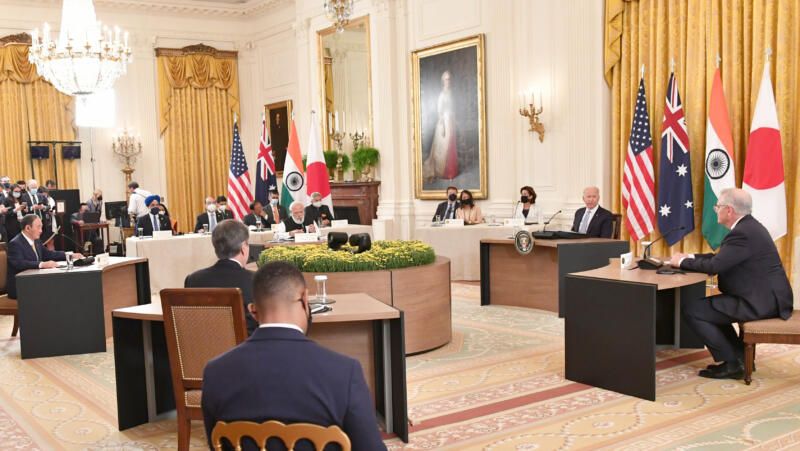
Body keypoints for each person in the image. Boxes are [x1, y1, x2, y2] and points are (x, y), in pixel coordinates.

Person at [201, 261, 386, 451]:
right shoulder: (345, 372)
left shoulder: (215, 372)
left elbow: (217, 445)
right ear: (305, 299)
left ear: (253, 311)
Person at [670, 188, 793, 379]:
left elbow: (716, 265)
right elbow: (722, 258)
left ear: (728, 210)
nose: (715, 210)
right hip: (765, 297)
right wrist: (690, 256)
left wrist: (681, 263)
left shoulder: (742, 233)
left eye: (717, 207)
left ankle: (732, 364)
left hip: (759, 302)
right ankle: (740, 359)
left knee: (693, 310)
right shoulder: (748, 227)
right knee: (712, 309)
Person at [185, 220, 258, 335]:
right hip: (244, 351)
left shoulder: (193, 279)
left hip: (204, 350)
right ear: (243, 248)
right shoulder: (256, 280)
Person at [6, 214, 82, 299]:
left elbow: (48, 254)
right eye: (38, 227)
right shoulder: (15, 243)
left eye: (41, 227)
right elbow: (19, 263)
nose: (41, 231)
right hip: (19, 287)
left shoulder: (37, 241)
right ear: (28, 228)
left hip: (34, 282)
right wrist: (42, 264)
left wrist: (70, 255)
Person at [423, 70, 458, 181]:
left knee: (452, 146)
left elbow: (453, 108)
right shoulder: (442, 94)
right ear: (443, 81)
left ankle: (452, 171)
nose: (448, 81)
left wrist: (454, 120)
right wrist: (442, 125)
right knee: (444, 148)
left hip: (451, 121)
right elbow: (439, 111)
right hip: (444, 122)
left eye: (449, 79)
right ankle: (445, 172)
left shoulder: (451, 92)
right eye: (446, 79)